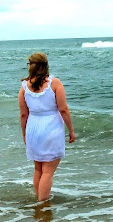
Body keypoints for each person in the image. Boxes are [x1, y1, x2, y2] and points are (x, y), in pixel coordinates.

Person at [18, 52, 75, 202]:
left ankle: (38, 199)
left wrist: (24, 134)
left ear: (31, 66)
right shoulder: (54, 83)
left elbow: (23, 115)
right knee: (48, 172)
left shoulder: (24, 87)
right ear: (45, 65)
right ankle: (42, 204)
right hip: (51, 128)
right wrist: (71, 130)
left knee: (38, 169)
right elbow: (63, 109)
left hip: (33, 128)